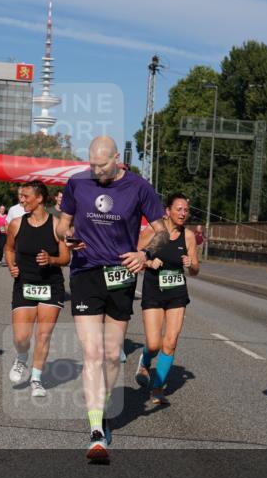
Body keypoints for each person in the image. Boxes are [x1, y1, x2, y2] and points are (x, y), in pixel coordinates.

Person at [56, 136, 166, 461]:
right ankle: (95, 430)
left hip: (121, 274)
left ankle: (101, 410)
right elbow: (62, 225)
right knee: (91, 353)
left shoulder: (139, 187)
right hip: (86, 272)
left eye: (102, 165)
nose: (96, 170)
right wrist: (67, 237)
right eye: (91, 164)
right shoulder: (77, 184)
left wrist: (143, 254)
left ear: (117, 159)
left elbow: (162, 231)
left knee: (112, 354)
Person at [5, 181, 70, 397]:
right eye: (20, 196)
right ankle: (22, 357)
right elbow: (9, 249)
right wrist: (11, 266)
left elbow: (65, 258)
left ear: (39, 198)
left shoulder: (57, 225)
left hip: (51, 285)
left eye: (25, 196)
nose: (21, 200)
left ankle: (36, 379)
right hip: (24, 284)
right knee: (21, 338)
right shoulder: (15, 224)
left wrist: (51, 259)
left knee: (43, 335)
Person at [135, 194, 201, 404]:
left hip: (177, 293)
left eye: (186, 210)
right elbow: (135, 256)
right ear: (167, 211)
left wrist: (191, 263)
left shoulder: (188, 236)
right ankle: (145, 362)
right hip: (153, 290)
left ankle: (157, 388)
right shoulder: (153, 231)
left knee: (170, 342)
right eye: (179, 209)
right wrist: (148, 262)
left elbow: (195, 271)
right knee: (154, 344)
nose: (183, 214)